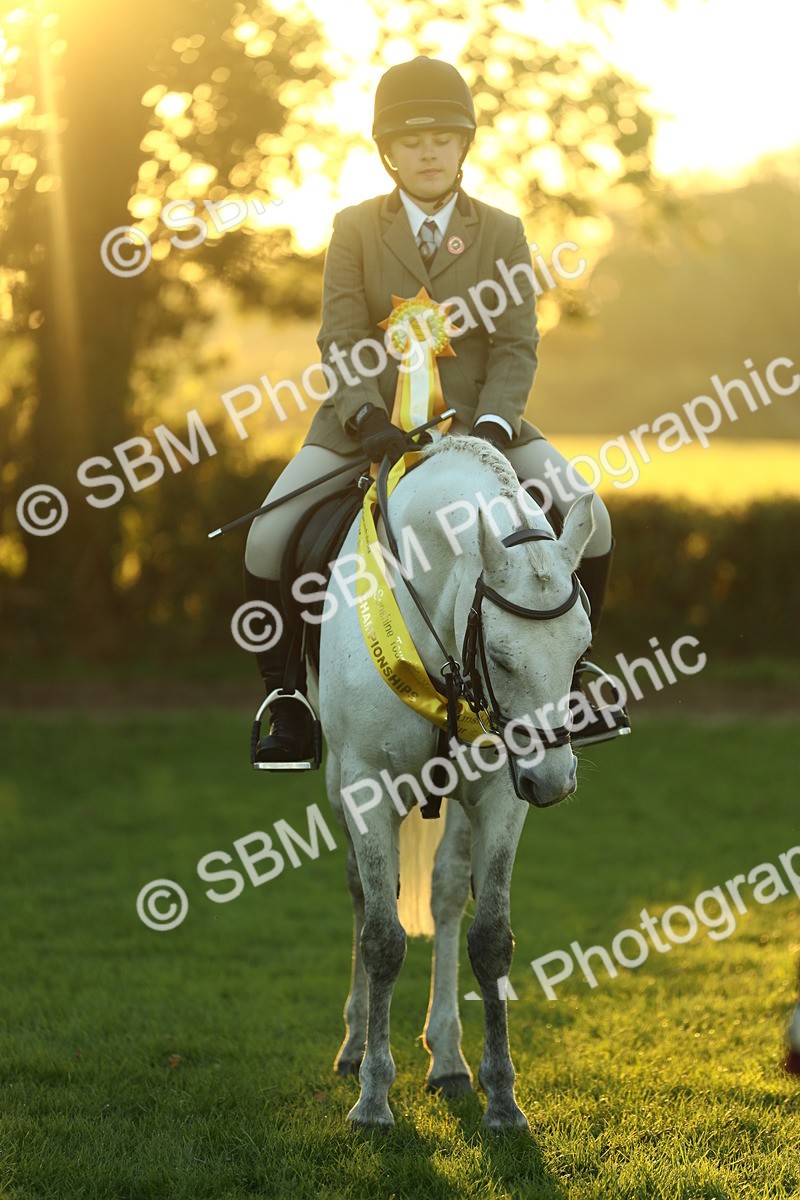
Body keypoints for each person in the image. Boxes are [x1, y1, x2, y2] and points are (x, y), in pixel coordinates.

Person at [244, 54, 630, 767]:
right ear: (387, 152)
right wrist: (364, 418)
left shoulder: (501, 231)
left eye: (442, 138)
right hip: (367, 428)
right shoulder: (355, 228)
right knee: (266, 538)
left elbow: (517, 343)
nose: (427, 151)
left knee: (591, 517)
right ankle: (287, 699)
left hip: (485, 425)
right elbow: (340, 332)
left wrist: (492, 424)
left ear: (463, 147)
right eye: (411, 140)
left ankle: (573, 673)